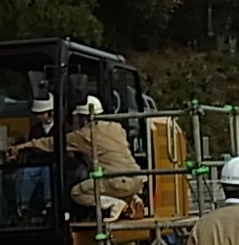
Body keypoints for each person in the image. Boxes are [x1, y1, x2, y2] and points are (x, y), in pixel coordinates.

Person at [11, 95, 146, 221]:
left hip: (118, 181)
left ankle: (114, 204)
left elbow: (52, 143)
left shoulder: (84, 135)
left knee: (77, 192)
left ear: (83, 117)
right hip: (138, 178)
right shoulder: (117, 127)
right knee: (108, 184)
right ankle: (134, 200)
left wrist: (23, 146)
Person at [16, 94, 56, 216]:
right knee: (26, 172)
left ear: (51, 112)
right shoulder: (35, 129)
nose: (39, 116)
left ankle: (49, 204)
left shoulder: (62, 127)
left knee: (48, 172)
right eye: (37, 114)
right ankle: (23, 205)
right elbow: (30, 146)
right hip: (38, 161)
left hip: (53, 162)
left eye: (42, 113)